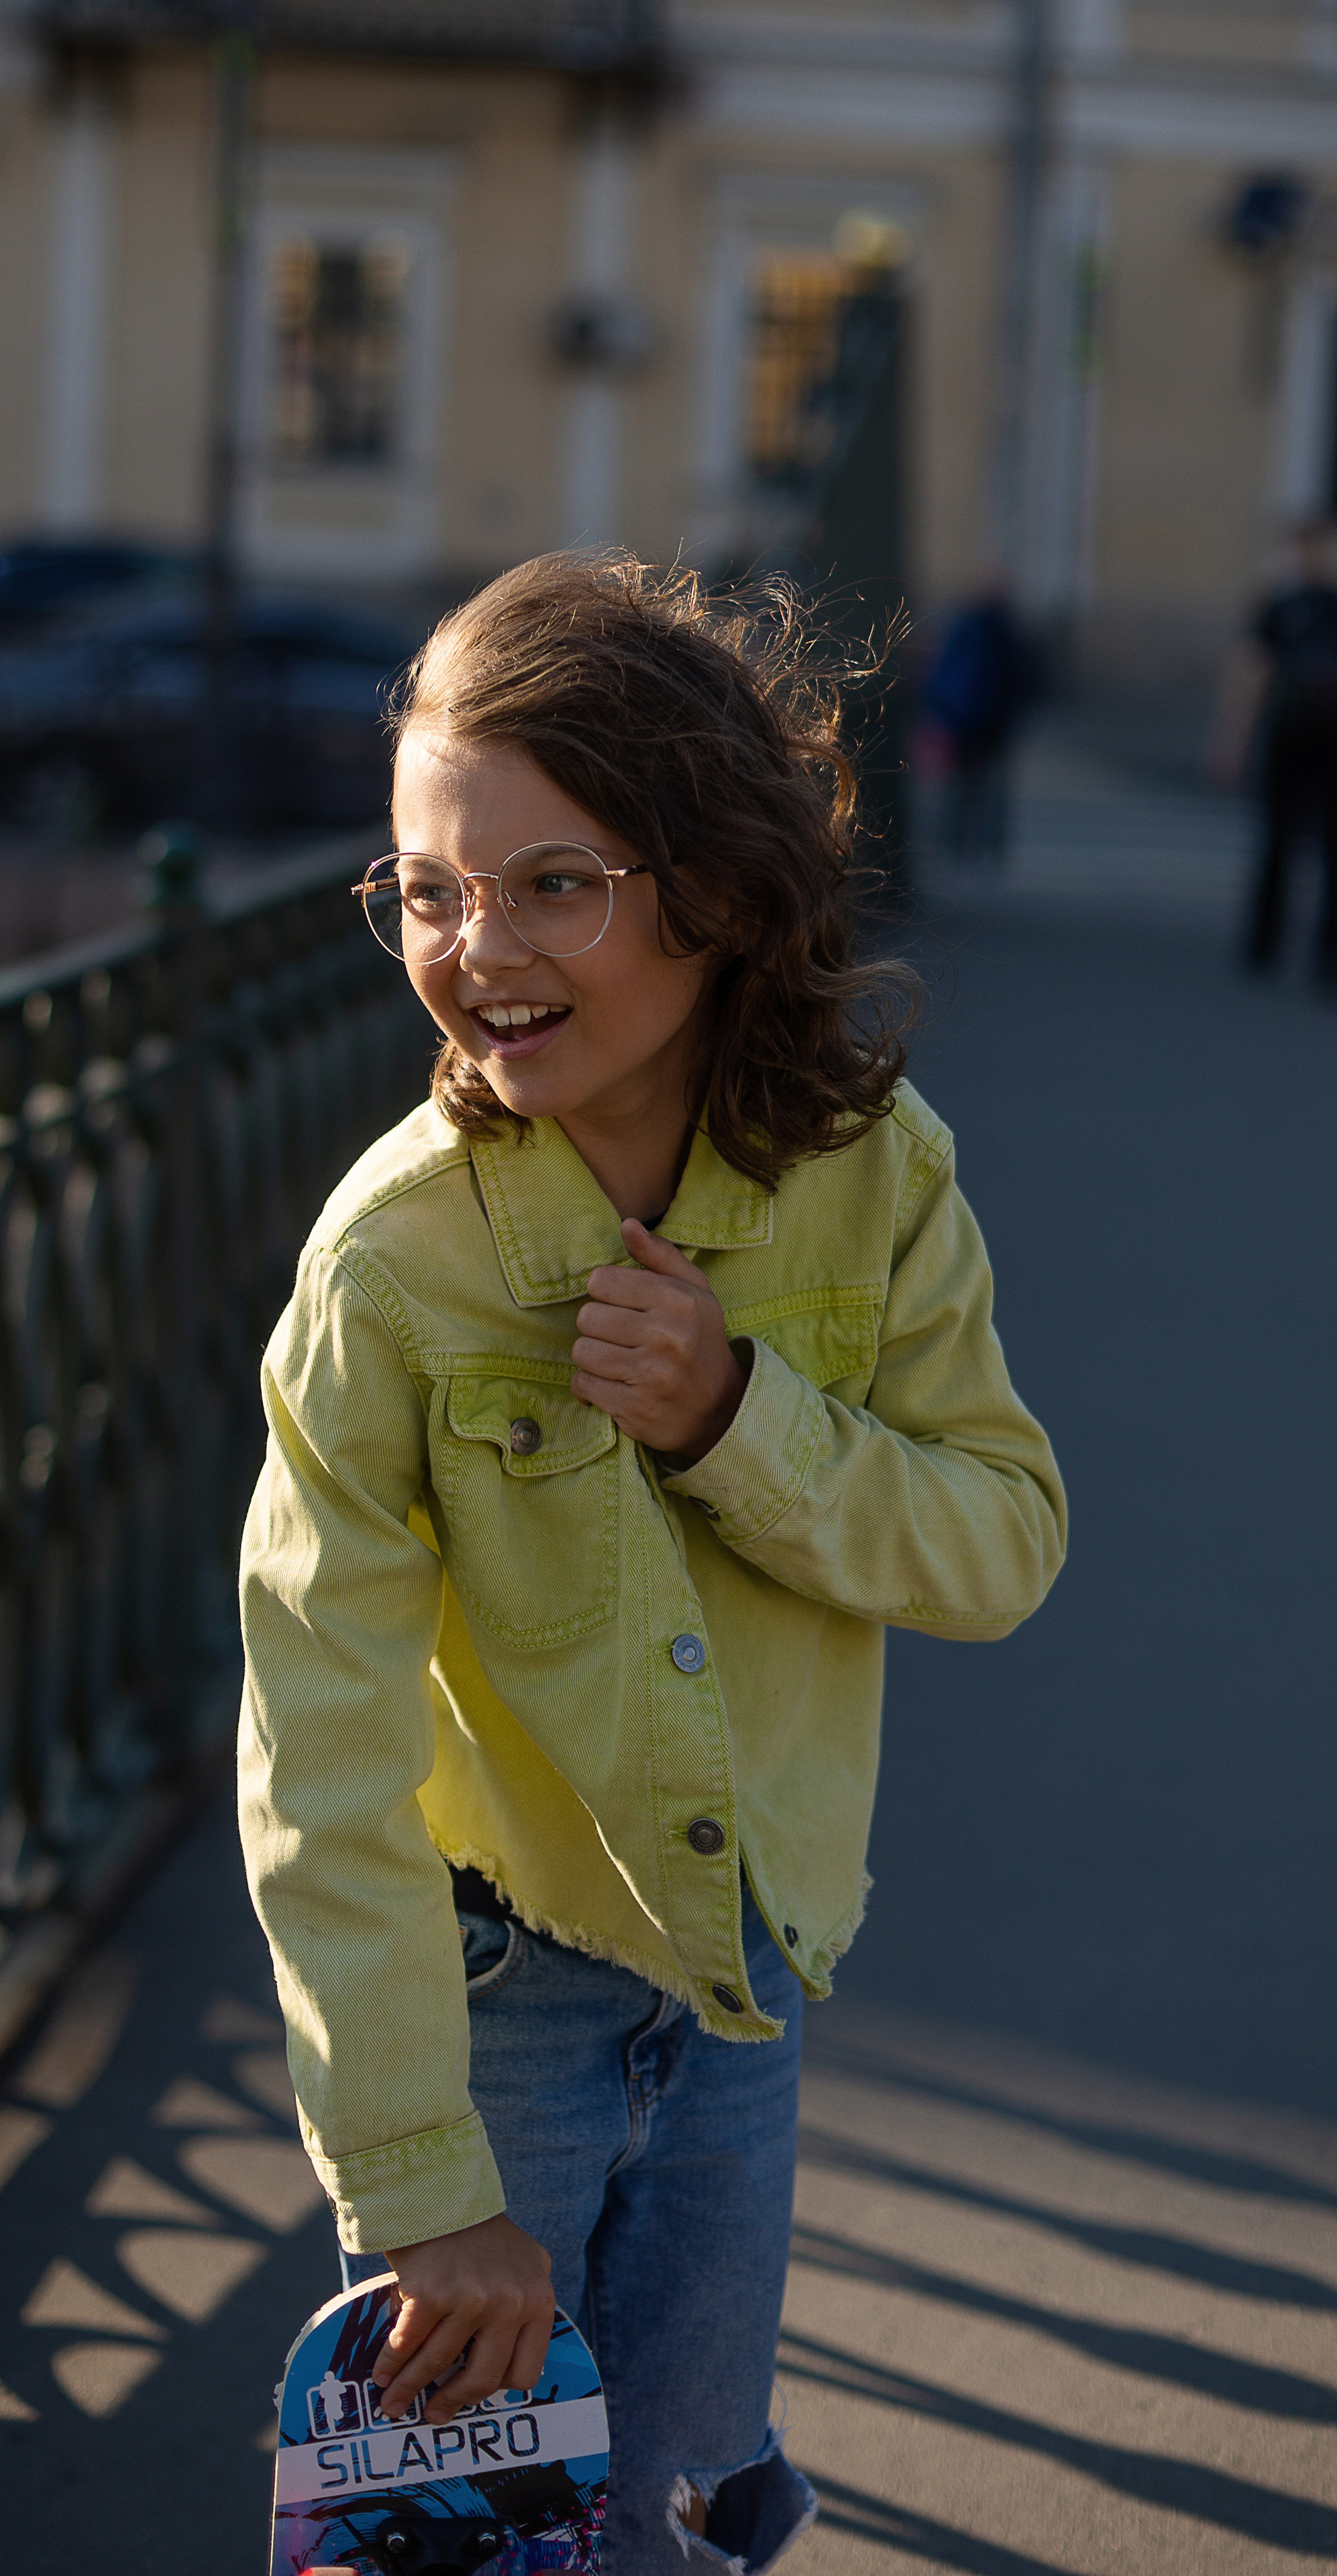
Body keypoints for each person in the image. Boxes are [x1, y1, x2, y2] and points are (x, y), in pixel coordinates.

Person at [237, 554, 1067, 2575]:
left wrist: (737, 1419)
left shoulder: (870, 1175)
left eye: (551, 882)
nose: (472, 945)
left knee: (666, 2490)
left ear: (707, 884)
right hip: (487, 1983)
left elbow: (999, 1540)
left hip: (745, 1990)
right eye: (426, 888)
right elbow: (313, 1748)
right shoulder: (395, 1265)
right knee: (464, 2529)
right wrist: (420, 2176)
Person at [1210, 517, 1337, 983]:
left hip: (1329, 745)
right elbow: (1250, 670)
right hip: (1289, 736)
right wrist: (1233, 739)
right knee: (1277, 844)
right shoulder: (1281, 607)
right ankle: (1265, 944)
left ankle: (1326, 956)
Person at [922, 583, 1035, 861]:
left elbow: (942, 675)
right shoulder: (1004, 633)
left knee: (964, 788)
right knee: (985, 789)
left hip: (968, 720)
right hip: (988, 722)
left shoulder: (969, 631)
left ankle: (957, 843)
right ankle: (985, 846)